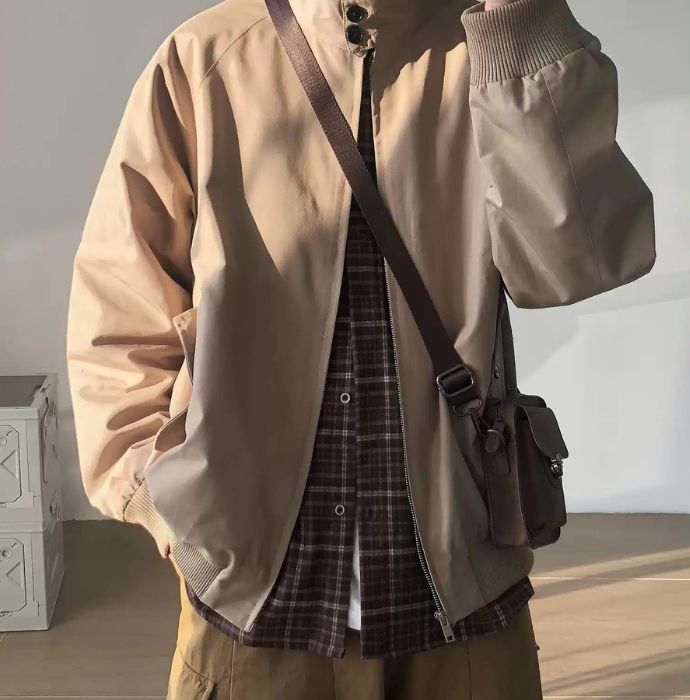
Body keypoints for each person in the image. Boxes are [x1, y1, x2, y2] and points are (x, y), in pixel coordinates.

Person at [66, 0, 656, 697]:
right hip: (254, 608)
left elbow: (575, 264)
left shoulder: (495, 50)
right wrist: (167, 507)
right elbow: (120, 315)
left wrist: (520, 28)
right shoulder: (205, 59)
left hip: (461, 600)